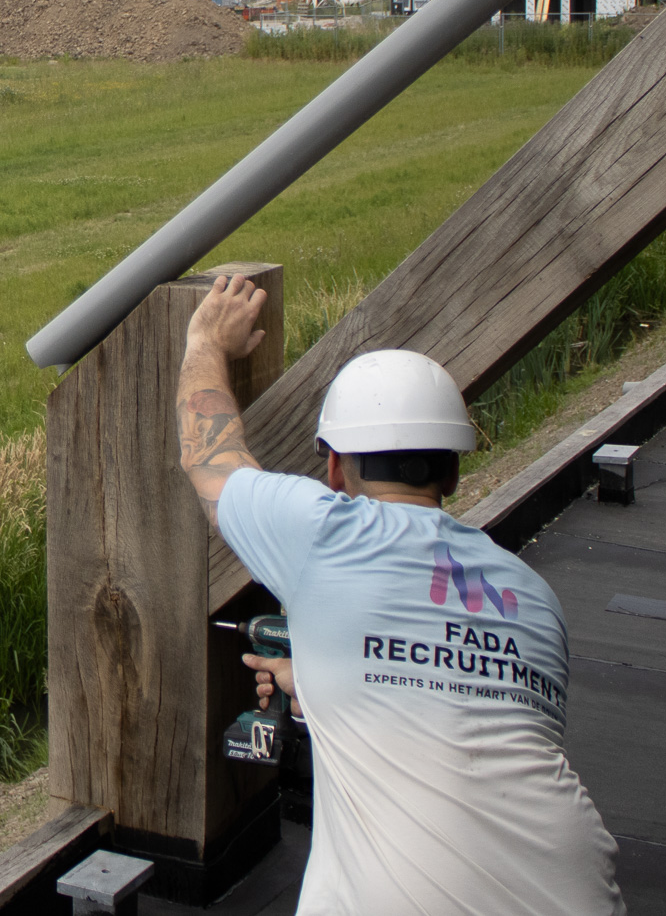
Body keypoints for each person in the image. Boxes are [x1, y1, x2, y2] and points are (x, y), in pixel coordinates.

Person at [175, 273, 623, 915]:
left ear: (334, 467)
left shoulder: (323, 534)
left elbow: (210, 459)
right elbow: (469, 700)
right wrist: (326, 679)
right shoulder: (534, 597)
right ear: (454, 468)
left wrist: (205, 343)